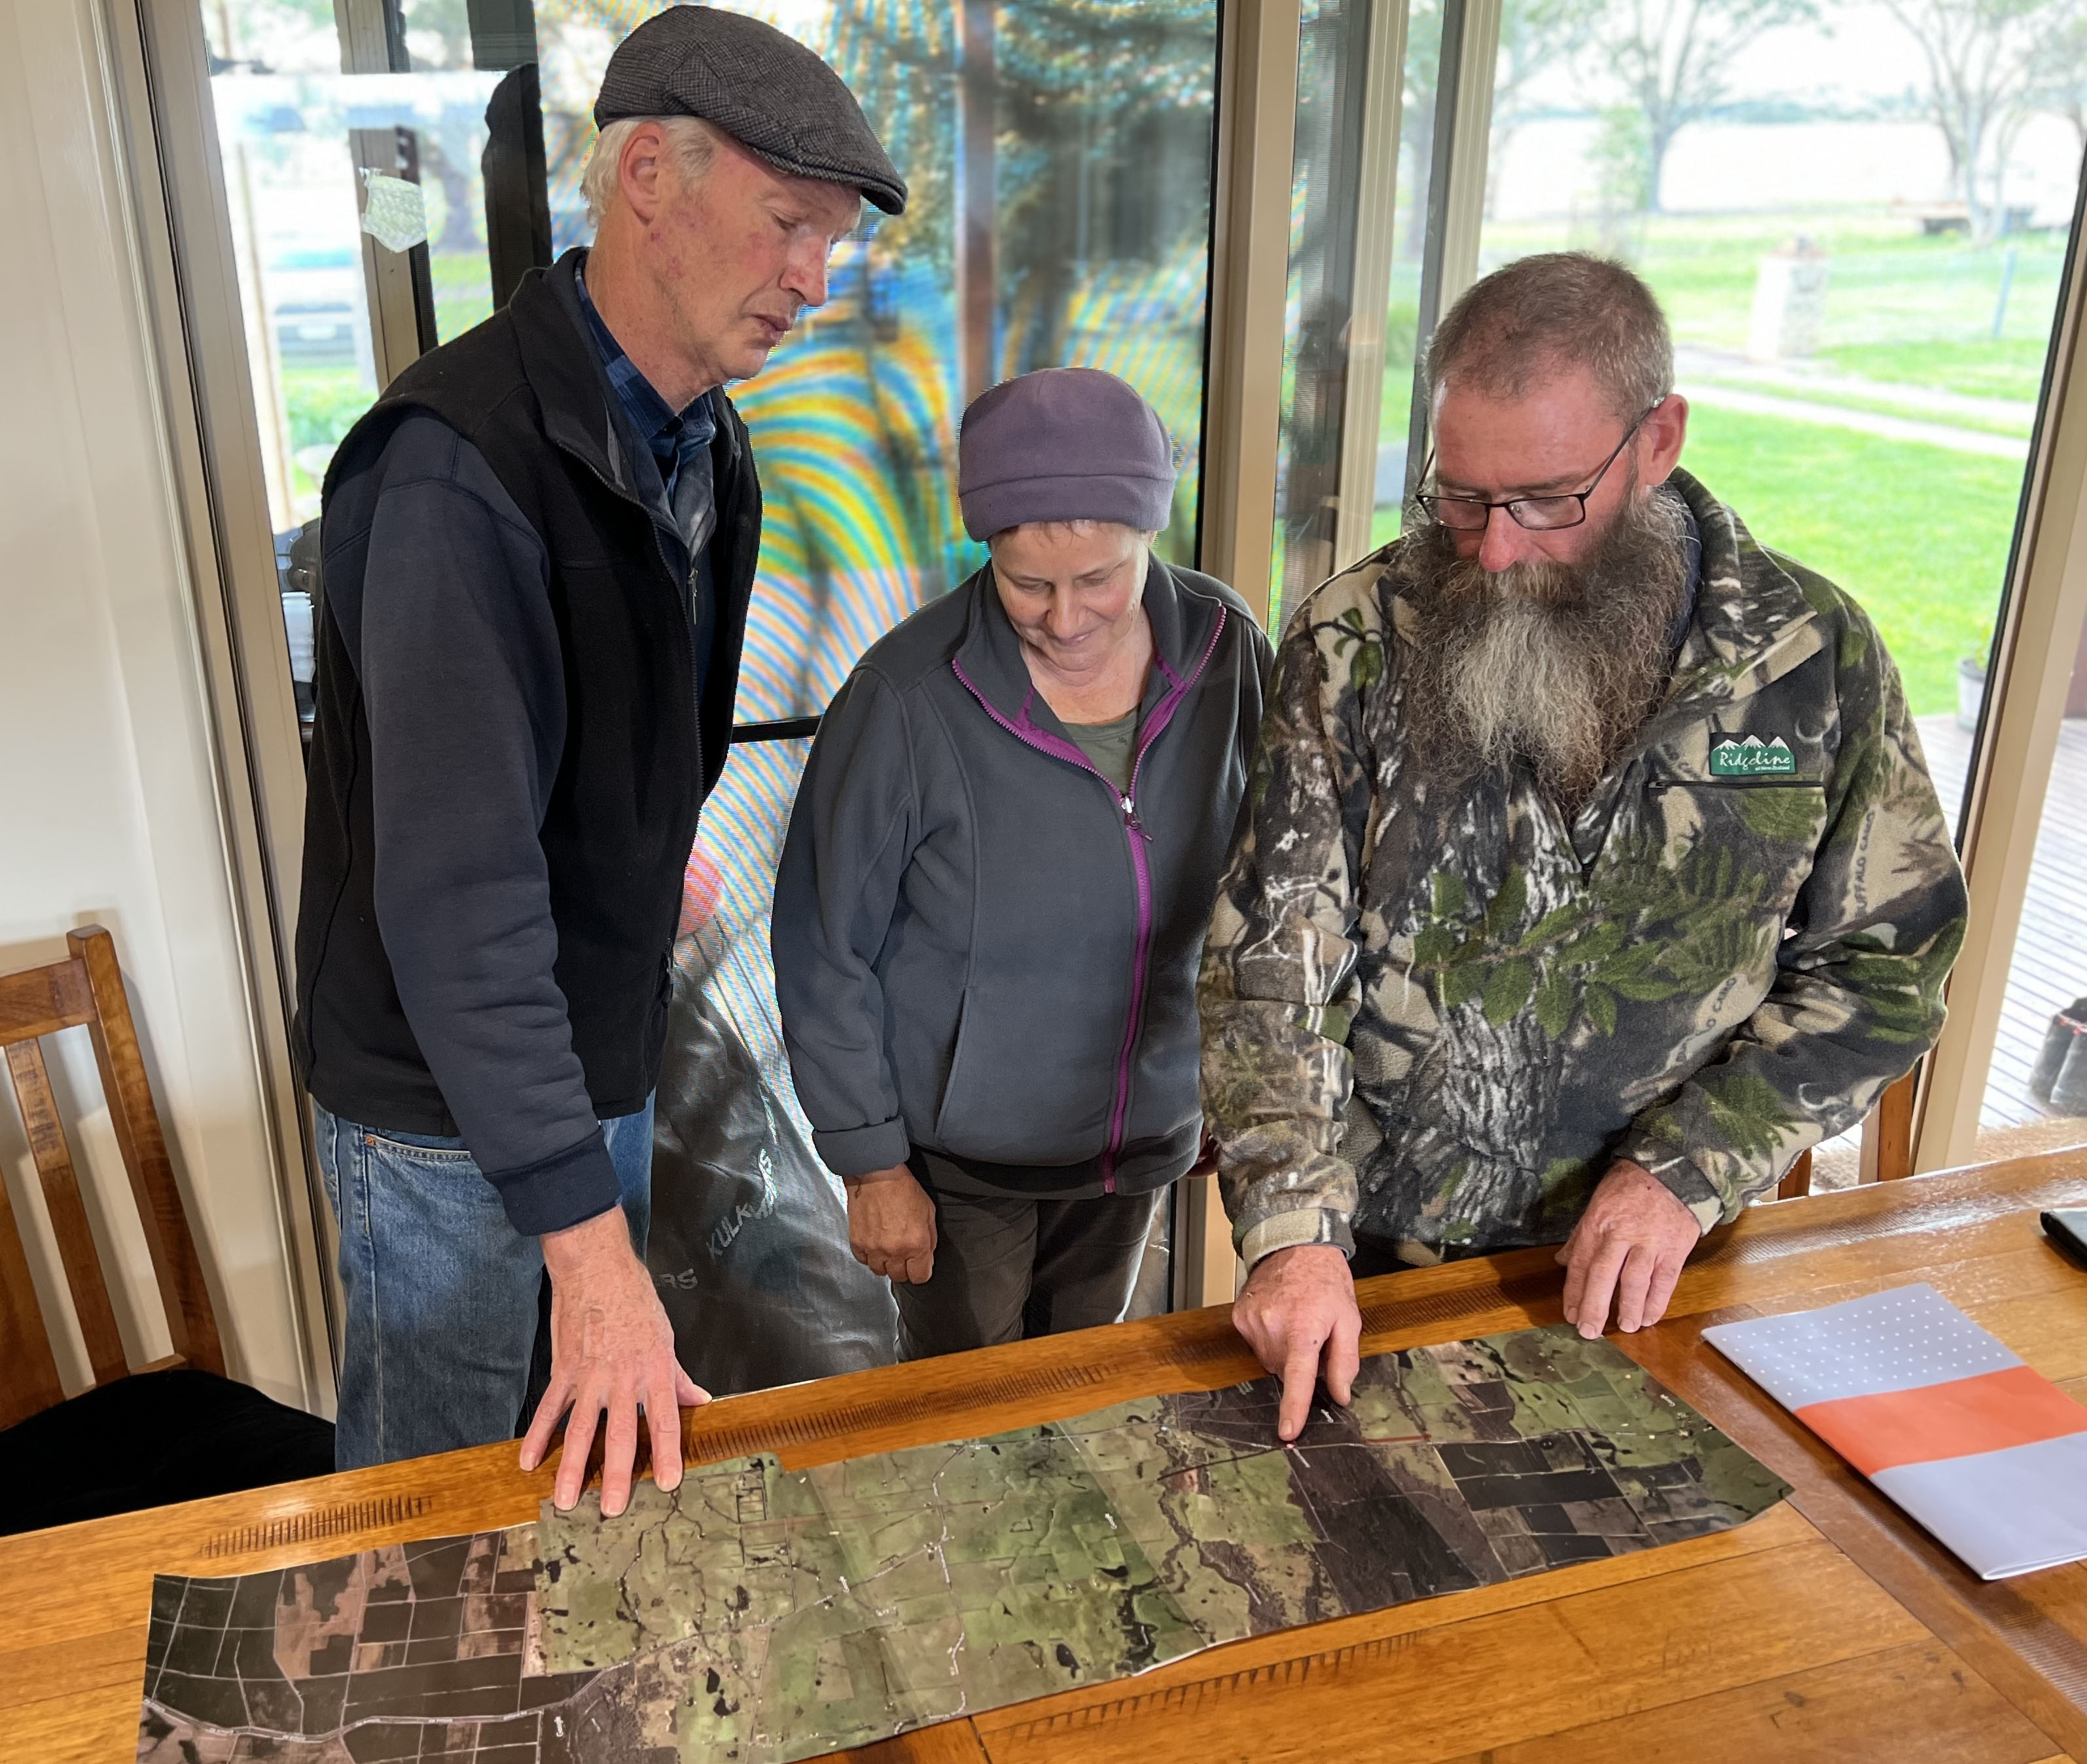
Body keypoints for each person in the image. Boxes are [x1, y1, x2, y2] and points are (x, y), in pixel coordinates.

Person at [291, 6, 906, 1513]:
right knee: (433, 1522)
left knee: (578, 1463)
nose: (811, 285)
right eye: (785, 227)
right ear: (648, 173)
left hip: (592, 1046)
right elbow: (454, 892)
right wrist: (590, 1247)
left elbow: (614, 728)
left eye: (830, 245)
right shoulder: (456, 469)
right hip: (447, 1109)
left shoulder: (705, 442)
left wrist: (640, 857)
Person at [1200, 252, 1968, 1439]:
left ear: (1655, 441)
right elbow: (1272, 966)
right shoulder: (1357, 637)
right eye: (1459, 497)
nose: (1494, 549)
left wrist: (1692, 1167)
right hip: (1383, 1273)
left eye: (1547, 500)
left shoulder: (1808, 658)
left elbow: (1885, 965)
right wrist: (1292, 1236)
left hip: (1669, 1263)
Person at [774, 368, 1272, 1356]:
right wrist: (872, 1167)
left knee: (1087, 1391)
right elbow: (821, 944)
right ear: (985, 550)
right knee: (969, 1422)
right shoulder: (905, 698)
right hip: (964, 1166)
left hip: (1140, 1137)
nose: (1063, 617)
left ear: (1148, 537)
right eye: (1027, 584)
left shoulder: (1226, 648)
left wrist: (1232, 1081)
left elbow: (1262, 877)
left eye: (1100, 578)